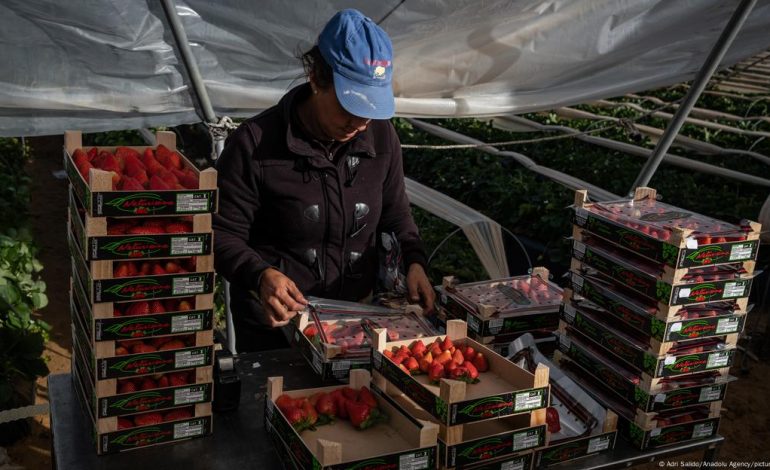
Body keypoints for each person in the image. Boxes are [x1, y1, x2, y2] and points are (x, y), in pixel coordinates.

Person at [213, 9, 435, 352]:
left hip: (357, 325)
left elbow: (396, 215)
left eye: (370, 109)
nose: (360, 122)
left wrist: (414, 261)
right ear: (316, 78)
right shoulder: (255, 144)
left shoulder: (381, 138)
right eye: (350, 107)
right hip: (278, 333)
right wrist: (259, 275)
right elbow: (223, 234)